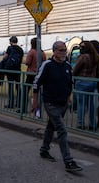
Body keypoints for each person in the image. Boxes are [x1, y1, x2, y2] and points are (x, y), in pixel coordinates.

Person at [32, 41, 83, 172]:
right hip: (50, 103)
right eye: (60, 50)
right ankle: (68, 161)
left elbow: (70, 83)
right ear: (54, 51)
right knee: (62, 129)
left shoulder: (66, 65)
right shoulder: (47, 65)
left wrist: (68, 99)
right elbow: (36, 83)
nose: (63, 53)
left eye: (64, 50)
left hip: (63, 104)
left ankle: (44, 150)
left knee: (51, 127)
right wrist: (35, 102)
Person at [73, 41, 98, 130]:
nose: (80, 49)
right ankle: (92, 124)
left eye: (81, 47)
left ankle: (81, 124)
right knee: (91, 104)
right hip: (92, 81)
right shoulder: (95, 56)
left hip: (82, 81)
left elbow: (75, 69)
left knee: (81, 104)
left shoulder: (83, 57)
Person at [22, 37, 46, 114]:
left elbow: (27, 62)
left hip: (31, 74)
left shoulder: (31, 52)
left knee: (25, 91)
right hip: (39, 75)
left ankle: (23, 109)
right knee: (37, 93)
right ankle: (37, 112)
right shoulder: (42, 53)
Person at [3, 36, 23, 108]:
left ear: (11, 42)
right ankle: (19, 104)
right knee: (18, 87)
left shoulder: (10, 48)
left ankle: (11, 104)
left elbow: (4, 57)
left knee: (11, 87)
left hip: (10, 70)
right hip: (17, 70)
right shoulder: (21, 49)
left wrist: (5, 55)